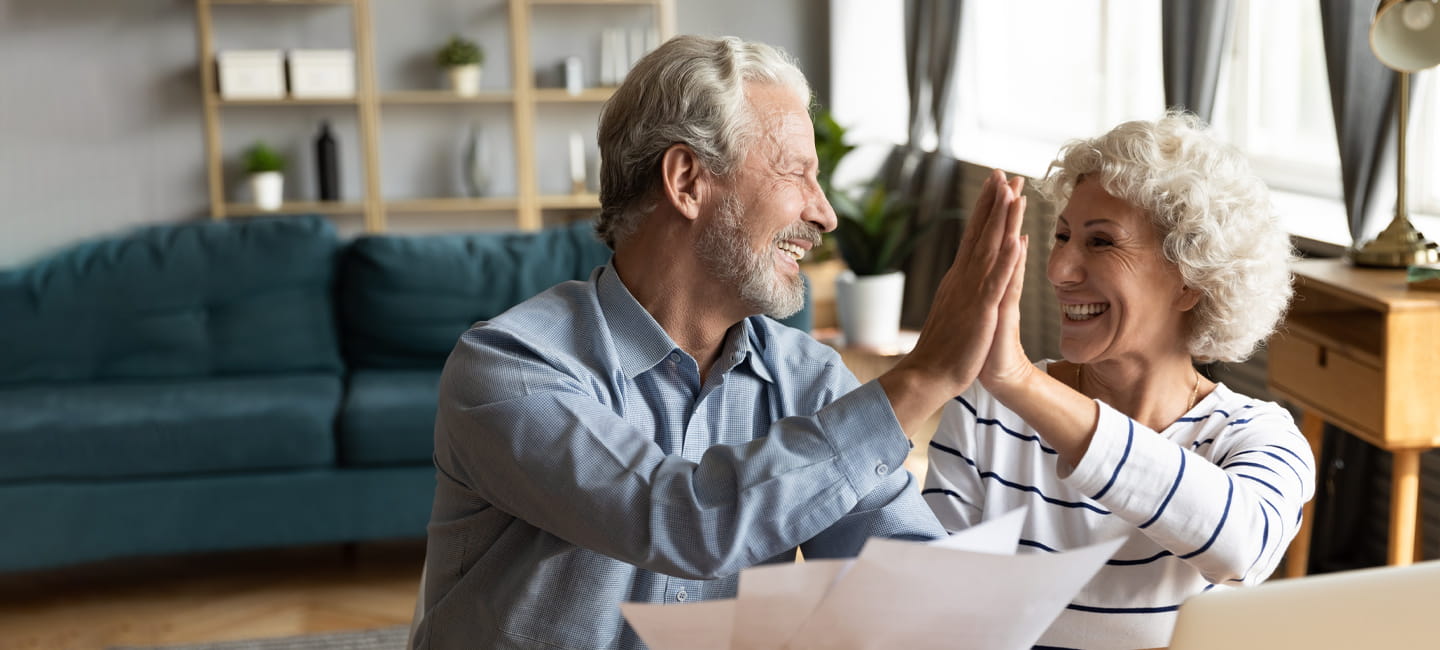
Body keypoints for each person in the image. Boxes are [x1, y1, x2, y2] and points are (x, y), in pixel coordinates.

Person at [413, 35, 1030, 649]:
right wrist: (920, 378)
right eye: (797, 173)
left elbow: (899, 567)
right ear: (686, 181)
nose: (825, 214)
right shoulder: (509, 368)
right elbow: (684, 521)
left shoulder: (807, 380)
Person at [923, 112, 1316, 649]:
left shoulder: (1257, 436)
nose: (1060, 269)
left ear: (1190, 280)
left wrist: (1019, 381)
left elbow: (1242, 548)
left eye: (1101, 242)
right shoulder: (987, 410)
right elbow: (933, 610)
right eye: (1062, 236)